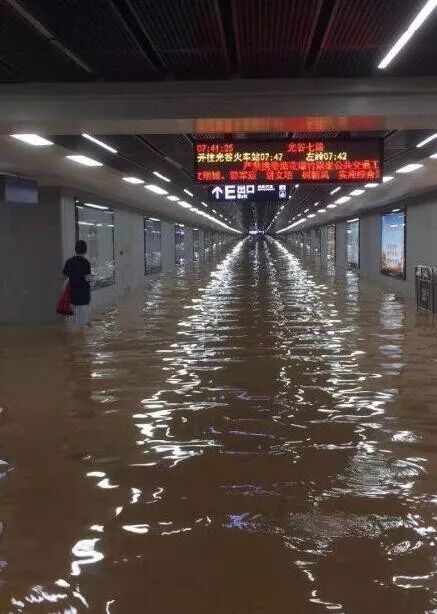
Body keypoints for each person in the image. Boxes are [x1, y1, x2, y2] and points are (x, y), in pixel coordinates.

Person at [63, 240, 91, 329]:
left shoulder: (69, 261)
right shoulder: (86, 262)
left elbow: (63, 277)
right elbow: (88, 278)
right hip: (83, 295)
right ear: (85, 250)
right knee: (82, 323)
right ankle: (81, 333)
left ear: (75, 249)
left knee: (75, 319)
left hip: (72, 294)